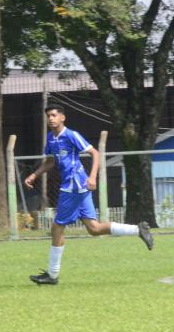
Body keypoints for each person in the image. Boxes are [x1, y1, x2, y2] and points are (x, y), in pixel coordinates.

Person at [23, 104, 153, 285]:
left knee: (57, 228)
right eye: (48, 116)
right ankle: (138, 229)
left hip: (74, 186)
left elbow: (95, 153)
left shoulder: (71, 135)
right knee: (94, 229)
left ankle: (52, 275)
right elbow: (51, 161)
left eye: (54, 115)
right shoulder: (51, 138)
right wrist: (34, 174)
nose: (50, 119)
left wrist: (92, 177)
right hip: (76, 187)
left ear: (62, 118)